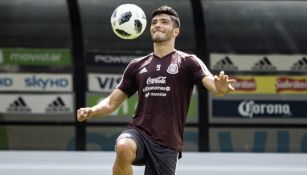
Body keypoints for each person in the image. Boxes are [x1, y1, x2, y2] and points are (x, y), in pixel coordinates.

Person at [77, 5, 235, 175]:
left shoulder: (189, 62)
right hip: (139, 131)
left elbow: (213, 85)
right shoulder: (136, 65)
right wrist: (91, 111)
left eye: (164, 22)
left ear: (176, 31)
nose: (157, 25)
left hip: (167, 142)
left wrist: (219, 88)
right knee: (123, 147)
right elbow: (111, 103)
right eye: (154, 22)